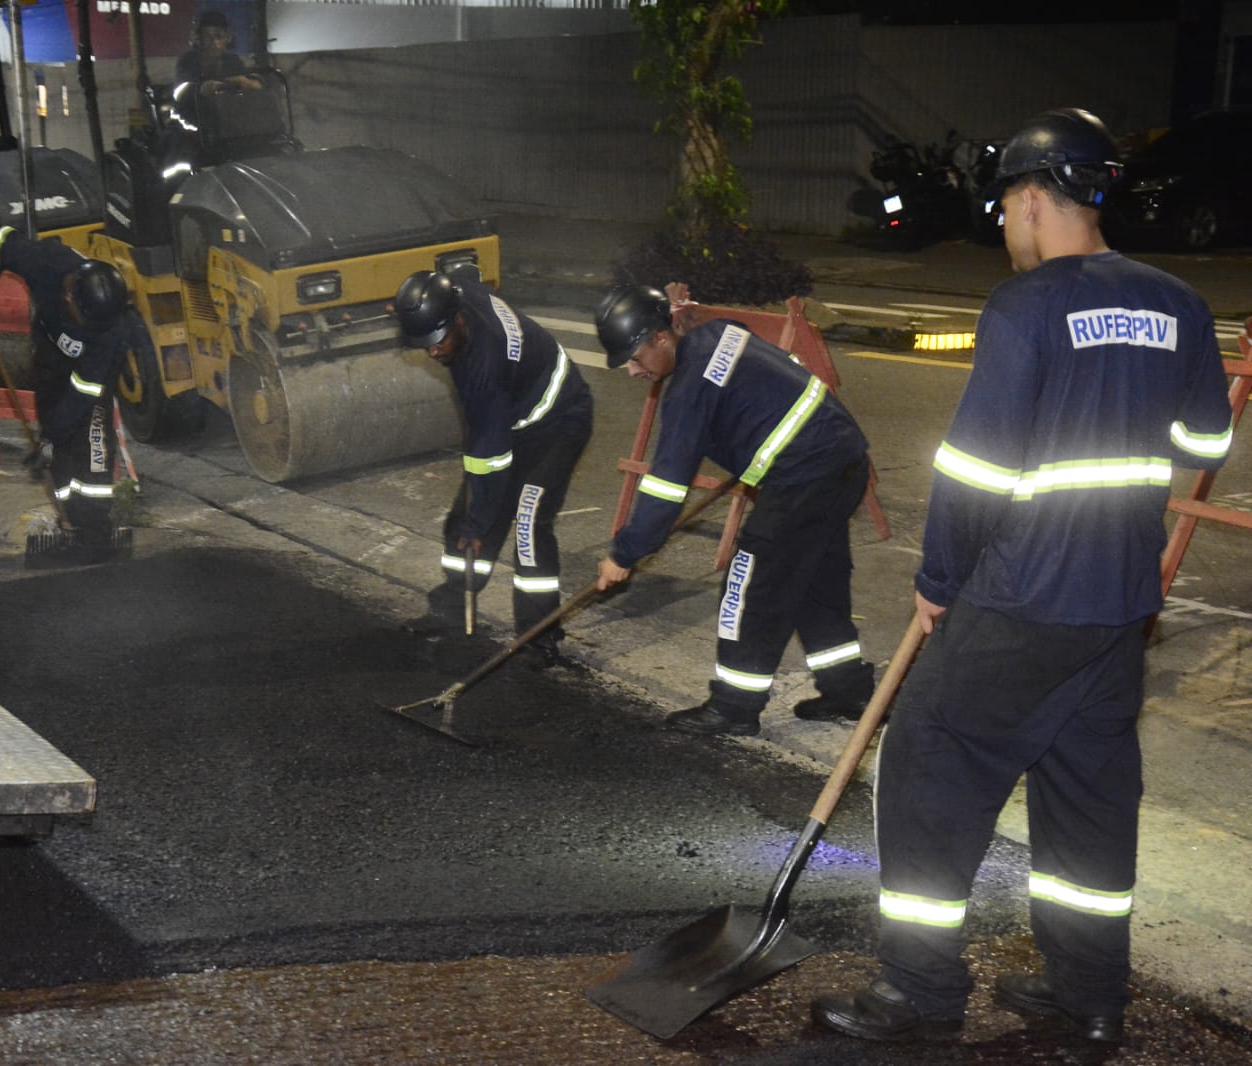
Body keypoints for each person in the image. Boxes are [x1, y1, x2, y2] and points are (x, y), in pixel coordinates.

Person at [811, 109, 1235, 1046]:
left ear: (1036, 199)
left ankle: (918, 993)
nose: (1005, 228)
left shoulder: (1025, 308)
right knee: (1086, 798)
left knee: (926, 764)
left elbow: (978, 472)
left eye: (1006, 208)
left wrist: (939, 578)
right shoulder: (1180, 302)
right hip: (1121, 606)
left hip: (1022, 598)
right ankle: (1090, 999)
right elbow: (1207, 441)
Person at [592, 284, 874, 735]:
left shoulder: (687, 390)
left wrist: (623, 554)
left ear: (662, 338)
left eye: (635, 356)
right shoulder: (718, 334)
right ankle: (851, 691)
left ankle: (734, 707)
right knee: (815, 579)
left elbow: (665, 488)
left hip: (803, 477)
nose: (631, 370)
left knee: (748, 588)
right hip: (844, 460)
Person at [393, 267, 594, 666]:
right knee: (468, 513)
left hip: (560, 419)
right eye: (424, 343)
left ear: (459, 320)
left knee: (527, 519)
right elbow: (466, 272)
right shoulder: (454, 293)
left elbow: (490, 458)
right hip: (514, 418)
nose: (432, 352)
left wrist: (479, 524)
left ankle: (538, 634)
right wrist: (473, 520)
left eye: (438, 341)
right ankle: (452, 604)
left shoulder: (483, 365)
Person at [0, 229, 132, 561]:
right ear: (69, 297)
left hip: (88, 375)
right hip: (50, 361)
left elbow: (85, 392)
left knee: (91, 438)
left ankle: (95, 529)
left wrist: (52, 437)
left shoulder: (112, 329)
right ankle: (70, 520)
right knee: (55, 445)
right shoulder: (46, 263)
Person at [173, 10, 261, 96]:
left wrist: (249, 83)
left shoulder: (232, 60)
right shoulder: (188, 61)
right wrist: (199, 89)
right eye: (207, 36)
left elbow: (254, 84)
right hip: (195, 109)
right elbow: (179, 93)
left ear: (227, 38)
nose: (214, 42)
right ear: (198, 39)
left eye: (219, 36)